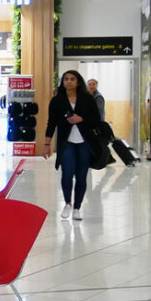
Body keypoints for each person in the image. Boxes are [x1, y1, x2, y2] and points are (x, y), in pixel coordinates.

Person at [45, 69, 103, 220]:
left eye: (72, 79)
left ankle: (77, 207)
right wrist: (47, 143)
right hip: (67, 143)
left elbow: (96, 119)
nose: (68, 82)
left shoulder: (87, 99)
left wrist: (81, 119)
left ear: (78, 82)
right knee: (67, 175)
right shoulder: (57, 100)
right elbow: (51, 123)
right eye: (66, 79)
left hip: (85, 142)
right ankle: (67, 203)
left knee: (81, 176)